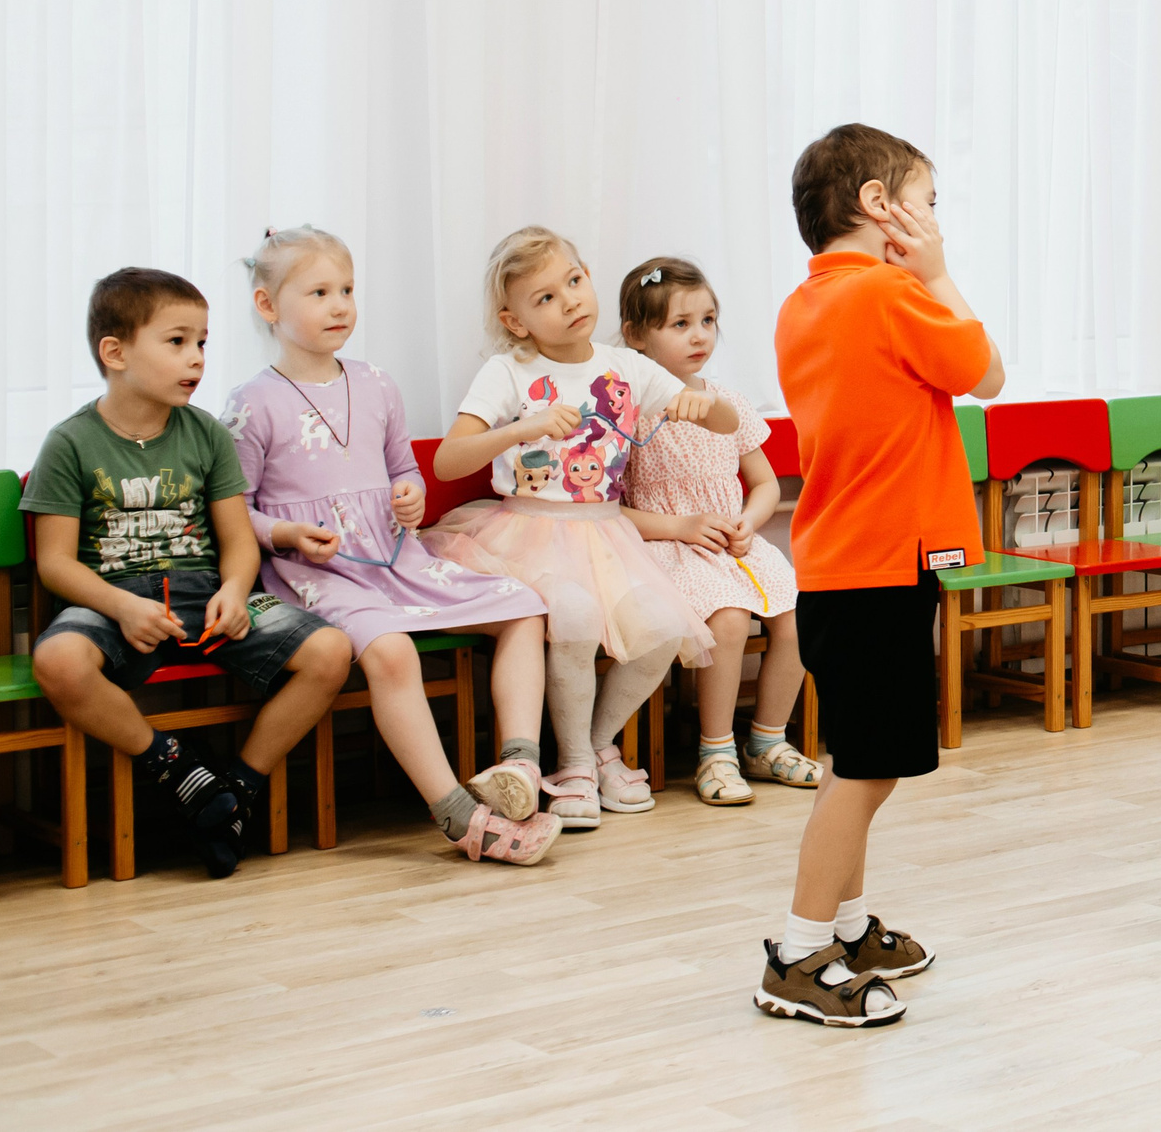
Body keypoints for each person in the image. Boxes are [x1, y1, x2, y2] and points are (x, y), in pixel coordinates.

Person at [757, 123, 1005, 1027]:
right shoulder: (893, 294)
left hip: (841, 562)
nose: (935, 221)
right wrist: (934, 270)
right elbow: (987, 372)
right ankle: (795, 950)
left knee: (863, 760)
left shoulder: (806, 303)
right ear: (879, 205)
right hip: (880, 566)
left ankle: (849, 925)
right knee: (863, 770)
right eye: (928, 202)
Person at [223, 225, 561, 866]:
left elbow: (403, 469)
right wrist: (285, 533)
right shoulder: (249, 403)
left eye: (347, 289)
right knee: (391, 652)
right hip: (314, 573)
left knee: (524, 605)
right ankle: (461, 818)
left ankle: (518, 768)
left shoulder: (376, 383)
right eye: (319, 291)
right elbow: (235, 513)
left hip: (395, 557)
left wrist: (406, 495)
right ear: (268, 307)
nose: (340, 304)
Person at [25, 267, 354, 877]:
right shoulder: (69, 443)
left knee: (331, 651)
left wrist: (234, 590)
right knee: (57, 662)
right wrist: (122, 606)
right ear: (115, 352)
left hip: (206, 594)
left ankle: (234, 789)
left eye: (202, 342)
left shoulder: (207, 434)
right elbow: (55, 564)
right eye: (177, 342)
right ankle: (176, 765)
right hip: (109, 599)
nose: (196, 358)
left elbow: (238, 542)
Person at [424, 227, 722, 829]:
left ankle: (593, 747)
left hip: (607, 533)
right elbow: (447, 461)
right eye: (546, 299)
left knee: (665, 629)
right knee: (576, 618)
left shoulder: (627, 366)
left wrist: (703, 405)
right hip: (528, 532)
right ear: (516, 322)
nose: (570, 301)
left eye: (575, 281)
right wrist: (520, 429)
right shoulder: (508, 371)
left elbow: (728, 419)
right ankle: (579, 764)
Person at [615, 254, 823, 806]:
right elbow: (609, 511)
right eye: (679, 324)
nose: (699, 335)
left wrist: (749, 523)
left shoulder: (727, 402)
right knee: (728, 622)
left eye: (707, 321)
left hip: (734, 546)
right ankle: (716, 752)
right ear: (636, 335)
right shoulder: (628, 410)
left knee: (799, 615)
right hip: (668, 548)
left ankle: (768, 741)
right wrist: (680, 526)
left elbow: (764, 484)